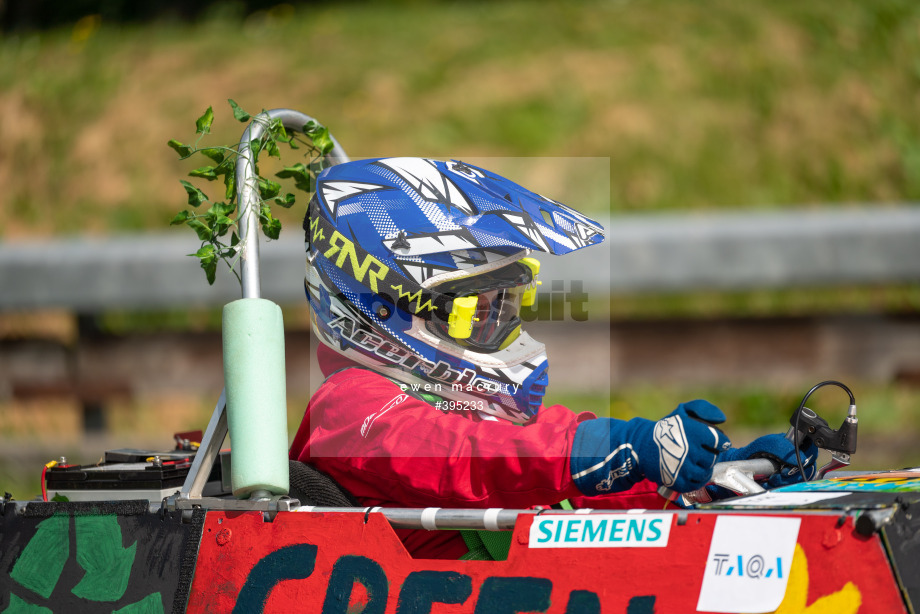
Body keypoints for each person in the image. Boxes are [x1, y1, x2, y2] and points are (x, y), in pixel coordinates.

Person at [289, 157, 817, 559]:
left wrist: (693, 484)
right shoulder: (349, 406)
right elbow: (465, 459)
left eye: (507, 303)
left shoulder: (458, 401)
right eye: (474, 310)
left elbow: (562, 506)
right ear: (383, 310)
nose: (497, 323)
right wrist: (595, 449)